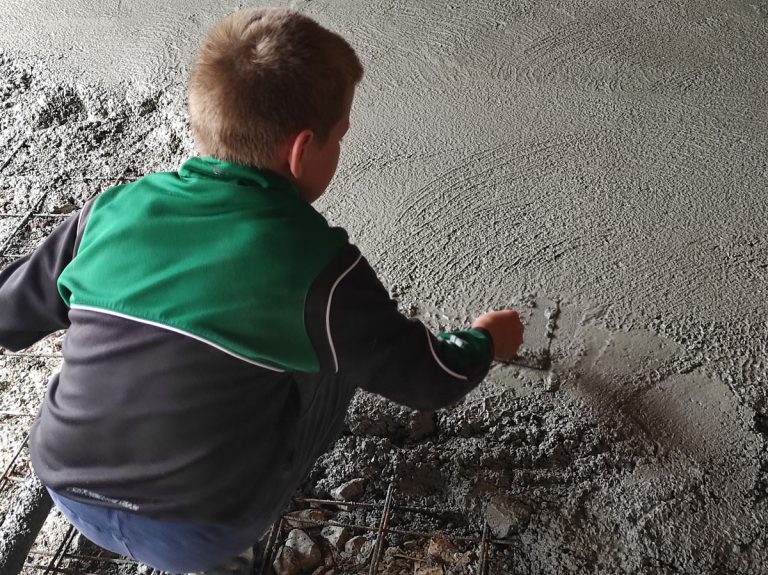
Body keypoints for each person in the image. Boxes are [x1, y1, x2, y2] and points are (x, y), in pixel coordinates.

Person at [0, 8, 523, 574]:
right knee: (335, 348)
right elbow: (430, 379)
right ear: (301, 152)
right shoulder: (322, 269)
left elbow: (8, 316)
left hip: (65, 484)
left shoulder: (108, 212)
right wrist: (486, 339)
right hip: (202, 528)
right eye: (340, 137)